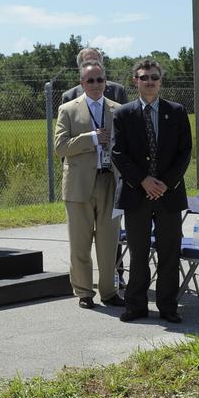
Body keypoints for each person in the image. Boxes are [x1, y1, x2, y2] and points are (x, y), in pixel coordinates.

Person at [111, 58, 191, 323]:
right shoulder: (123, 114)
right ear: (135, 80)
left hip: (169, 194)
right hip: (137, 193)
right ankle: (136, 305)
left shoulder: (177, 112)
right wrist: (143, 180)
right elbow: (118, 153)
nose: (149, 81)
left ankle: (168, 306)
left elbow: (184, 152)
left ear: (161, 81)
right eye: (144, 77)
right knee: (138, 252)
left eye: (154, 77)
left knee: (169, 252)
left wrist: (165, 183)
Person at [55, 60, 124, 310]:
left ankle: (109, 292)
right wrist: (91, 138)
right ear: (82, 83)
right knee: (80, 243)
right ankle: (84, 292)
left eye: (100, 80)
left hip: (109, 182)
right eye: (90, 80)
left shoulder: (119, 109)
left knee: (109, 243)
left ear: (106, 82)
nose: (96, 84)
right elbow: (60, 147)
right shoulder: (68, 109)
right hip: (79, 185)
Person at [61, 46, 129, 105]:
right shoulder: (70, 97)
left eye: (95, 61)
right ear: (79, 67)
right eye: (88, 62)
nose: (92, 65)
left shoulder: (118, 92)